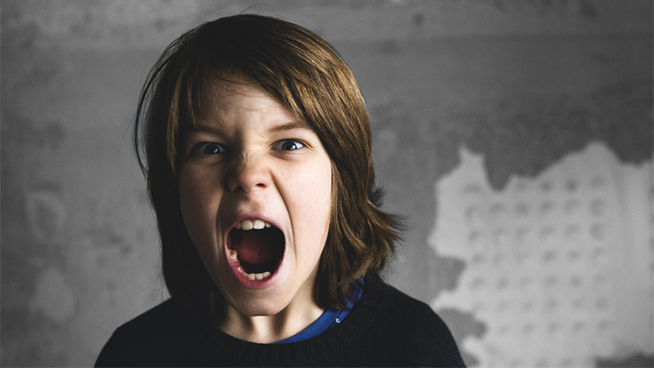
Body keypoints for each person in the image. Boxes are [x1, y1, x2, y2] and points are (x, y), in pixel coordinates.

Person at [95, 14, 465, 367]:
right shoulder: (135, 355)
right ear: (175, 192)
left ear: (342, 180)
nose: (247, 173)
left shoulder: (413, 345)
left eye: (288, 144)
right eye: (211, 148)